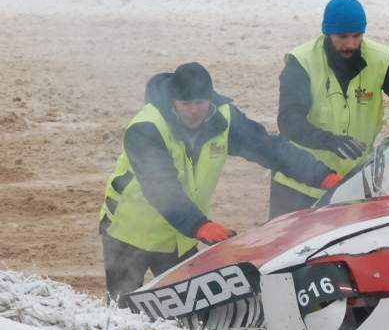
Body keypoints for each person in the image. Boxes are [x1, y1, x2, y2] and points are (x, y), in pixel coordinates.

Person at [99, 62, 343, 304]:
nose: (194, 111)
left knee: (185, 312)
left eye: (200, 103)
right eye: (186, 104)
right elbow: (160, 187)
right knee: (122, 311)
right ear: (173, 101)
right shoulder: (147, 128)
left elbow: (270, 148)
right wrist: (199, 225)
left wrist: (321, 175)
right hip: (128, 234)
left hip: (178, 238)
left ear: (211, 99)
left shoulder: (223, 119)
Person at [271, 0, 389, 217]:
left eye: (357, 36)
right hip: (299, 182)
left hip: (353, 184)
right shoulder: (302, 62)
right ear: (327, 33)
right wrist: (329, 141)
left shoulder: (379, 58)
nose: (350, 44)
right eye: (343, 37)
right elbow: (289, 121)